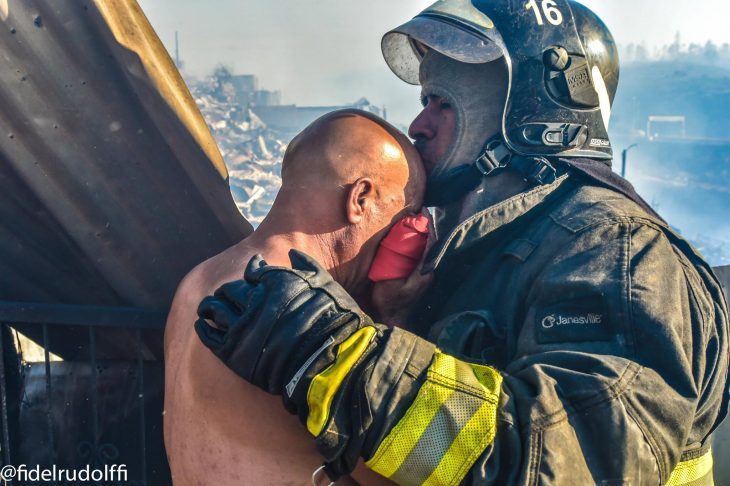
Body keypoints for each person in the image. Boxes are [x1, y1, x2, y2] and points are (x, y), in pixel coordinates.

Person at [195, 1, 730, 485]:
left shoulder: (618, 255)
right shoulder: (481, 241)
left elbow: (566, 465)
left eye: (441, 104)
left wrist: (345, 361)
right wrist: (394, 318)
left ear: (527, 113)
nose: (417, 125)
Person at [163, 109, 425, 485]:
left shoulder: (197, 281)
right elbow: (398, 474)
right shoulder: (300, 311)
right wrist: (397, 317)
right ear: (361, 198)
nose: (410, 232)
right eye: (406, 213)